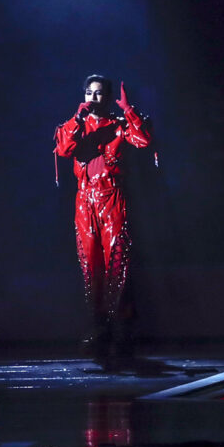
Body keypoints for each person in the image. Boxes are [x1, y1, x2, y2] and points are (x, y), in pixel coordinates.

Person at [54, 75, 151, 363]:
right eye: (89, 92)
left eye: (99, 93)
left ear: (107, 97)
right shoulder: (76, 126)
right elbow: (64, 150)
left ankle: (122, 328)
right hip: (85, 200)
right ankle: (98, 327)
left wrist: (128, 109)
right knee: (91, 265)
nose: (93, 98)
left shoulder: (120, 126)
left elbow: (143, 141)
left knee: (117, 263)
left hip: (111, 197)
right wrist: (77, 120)